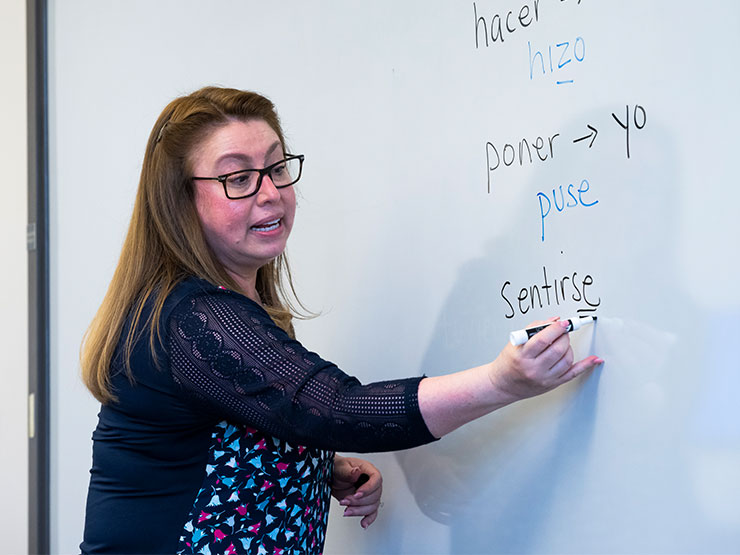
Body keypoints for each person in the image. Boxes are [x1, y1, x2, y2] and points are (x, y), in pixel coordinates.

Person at [79, 86, 603, 554]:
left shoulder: (224, 306)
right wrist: (500, 382)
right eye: (238, 177)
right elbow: (333, 408)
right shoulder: (195, 318)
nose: (270, 192)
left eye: (277, 167)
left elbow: (236, 429)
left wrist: (316, 467)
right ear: (180, 202)